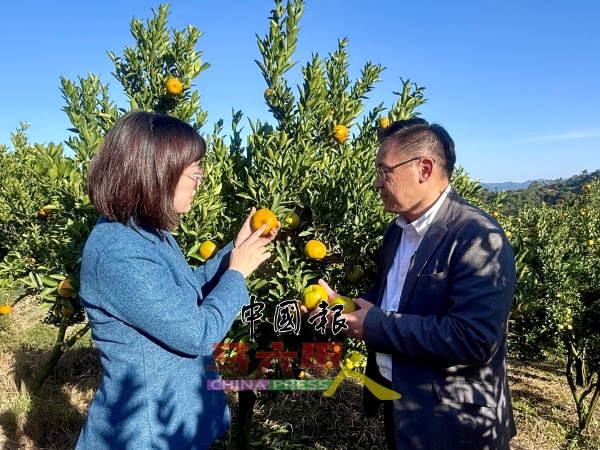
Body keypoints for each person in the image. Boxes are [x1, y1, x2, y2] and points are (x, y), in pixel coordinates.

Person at [75, 111, 278, 450]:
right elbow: (197, 333)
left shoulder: (146, 231)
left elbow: (183, 291)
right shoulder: (118, 252)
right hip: (145, 431)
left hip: (175, 417)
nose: (200, 181)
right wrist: (237, 272)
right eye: (192, 172)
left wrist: (235, 250)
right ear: (155, 175)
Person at [327, 118, 516, 449]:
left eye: (384, 172)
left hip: (452, 420)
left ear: (424, 169)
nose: (376, 183)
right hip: (400, 402)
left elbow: (474, 340)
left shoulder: (477, 237)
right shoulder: (397, 231)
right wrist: (342, 307)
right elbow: (391, 299)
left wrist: (373, 325)